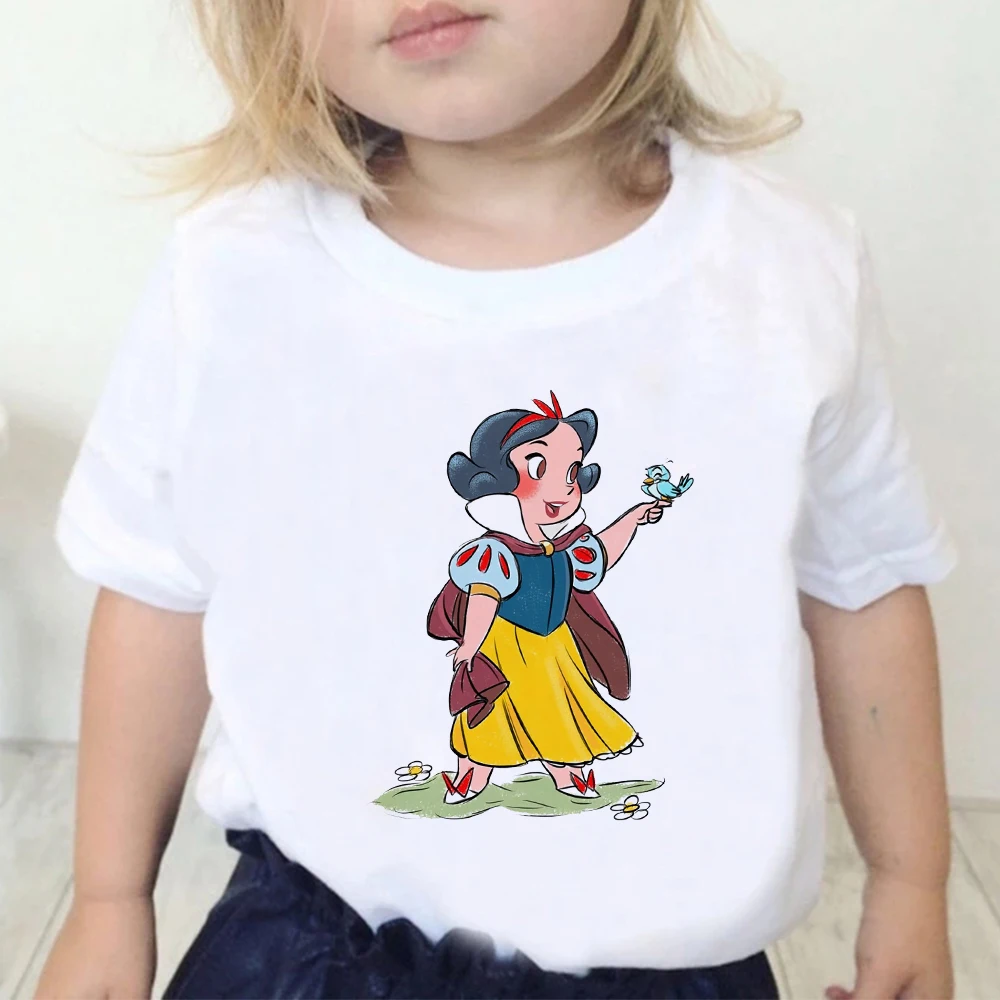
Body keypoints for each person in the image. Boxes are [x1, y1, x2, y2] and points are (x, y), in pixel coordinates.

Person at [36, 1, 958, 997]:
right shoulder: (230, 275)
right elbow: (155, 592)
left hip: (672, 968)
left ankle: (555, 772)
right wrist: (108, 897)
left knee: (559, 709)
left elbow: (864, 588)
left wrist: (911, 880)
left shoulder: (787, 271)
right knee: (492, 715)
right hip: (311, 950)